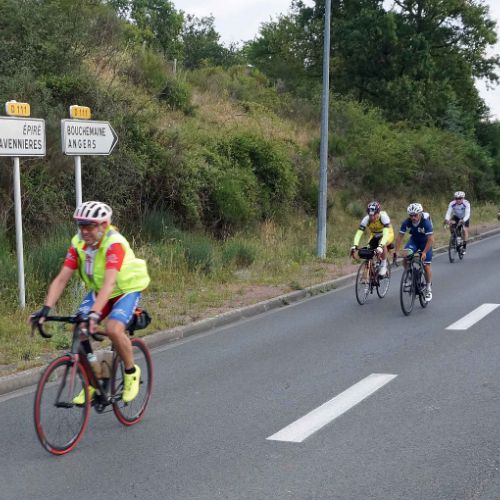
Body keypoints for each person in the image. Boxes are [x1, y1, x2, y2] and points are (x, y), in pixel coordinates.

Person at [30, 201, 150, 403]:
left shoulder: (114, 244)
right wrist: (45, 309)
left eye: (89, 226)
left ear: (104, 225)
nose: (84, 231)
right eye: (81, 226)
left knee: (113, 330)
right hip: (100, 291)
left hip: (125, 290)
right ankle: (95, 380)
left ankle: (131, 372)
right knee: (80, 328)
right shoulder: (78, 243)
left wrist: (94, 314)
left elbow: (110, 284)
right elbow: (62, 279)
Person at [394, 202, 434, 301]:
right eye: (411, 215)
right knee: (405, 255)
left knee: (426, 265)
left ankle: (428, 288)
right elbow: (399, 237)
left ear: (420, 214)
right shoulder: (407, 222)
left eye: (415, 215)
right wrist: (396, 251)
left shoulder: (426, 222)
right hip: (414, 241)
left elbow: (431, 239)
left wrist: (424, 252)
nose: (413, 218)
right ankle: (409, 276)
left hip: (426, 242)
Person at [350, 201, 395, 276]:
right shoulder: (366, 219)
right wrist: (355, 245)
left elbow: (385, 234)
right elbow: (359, 233)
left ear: (378, 213)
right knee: (368, 249)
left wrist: (380, 246)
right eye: (370, 215)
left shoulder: (383, 217)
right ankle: (371, 268)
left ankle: (383, 265)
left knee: (382, 245)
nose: (372, 217)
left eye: (374, 215)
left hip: (387, 234)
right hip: (375, 235)